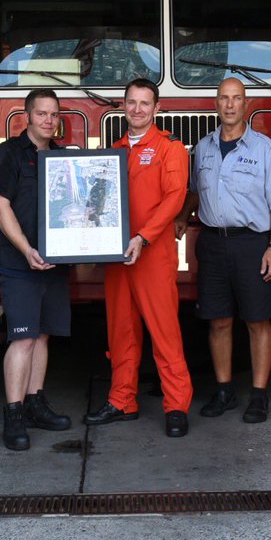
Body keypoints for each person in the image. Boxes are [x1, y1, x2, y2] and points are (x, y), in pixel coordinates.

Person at [176, 77, 271, 424]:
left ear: (246, 105)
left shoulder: (265, 149)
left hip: (252, 242)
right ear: (216, 103)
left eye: (236, 99)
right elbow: (196, 190)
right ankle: (224, 390)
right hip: (212, 242)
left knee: (258, 319)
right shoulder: (203, 148)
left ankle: (258, 395)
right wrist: (182, 217)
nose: (229, 105)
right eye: (224, 98)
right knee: (219, 320)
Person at [85, 78, 193, 437]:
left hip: (151, 254)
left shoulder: (169, 148)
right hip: (118, 256)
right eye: (131, 102)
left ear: (156, 108)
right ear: (123, 106)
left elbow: (175, 198)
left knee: (164, 332)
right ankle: (122, 400)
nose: (137, 109)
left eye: (145, 103)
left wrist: (143, 238)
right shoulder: (112, 151)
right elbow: (96, 205)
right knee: (121, 332)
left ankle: (176, 405)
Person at [0, 88, 73, 451]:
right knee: (21, 336)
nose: (48, 120)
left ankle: (36, 402)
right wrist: (27, 250)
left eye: (54, 114)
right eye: (41, 114)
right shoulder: (4, 155)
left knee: (42, 334)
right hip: (18, 262)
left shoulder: (62, 159)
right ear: (27, 116)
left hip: (54, 263)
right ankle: (14, 413)